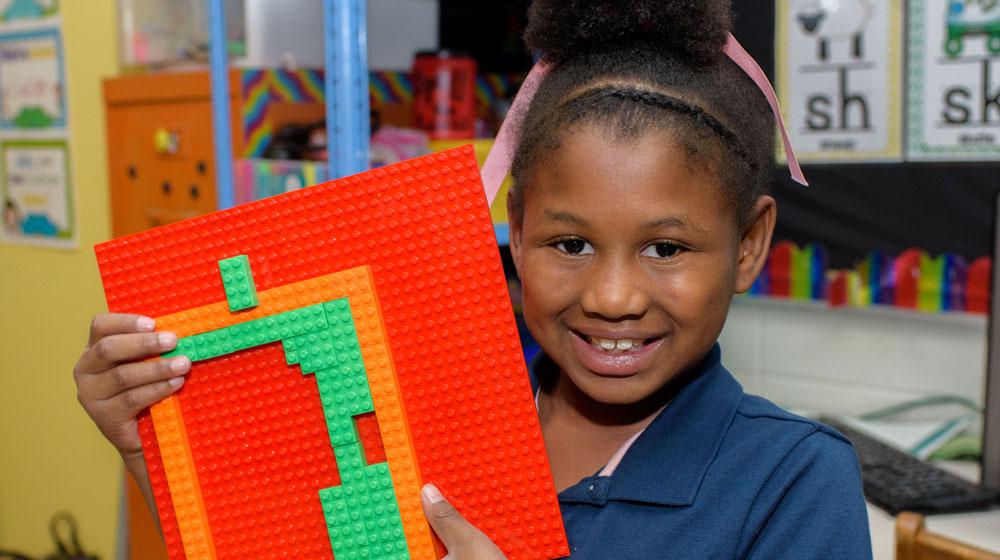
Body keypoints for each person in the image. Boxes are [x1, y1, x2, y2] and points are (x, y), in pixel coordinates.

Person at [73, 0, 872, 558]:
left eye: (666, 249)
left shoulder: (793, 484)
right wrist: (166, 454)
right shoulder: (424, 404)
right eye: (570, 243)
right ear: (516, 228)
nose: (613, 297)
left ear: (748, 244)